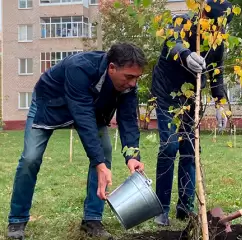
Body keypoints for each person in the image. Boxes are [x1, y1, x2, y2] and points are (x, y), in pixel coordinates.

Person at [7, 43, 147, 240]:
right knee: (30, 158)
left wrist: (132, 156)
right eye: (129, 77)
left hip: (91, 109)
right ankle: (17, 220)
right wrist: (98, 163)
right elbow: (82, 115)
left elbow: (128, 120)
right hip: (50, 105)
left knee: (104, 153)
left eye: (137, 78)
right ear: (112, 67)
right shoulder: (79, 67)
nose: (133, 83)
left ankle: (92, 220)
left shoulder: (127, 86)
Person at [150, 0, 234, 226]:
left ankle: (185, 207)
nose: (216, 29)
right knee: (169, 146)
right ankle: (161, 208)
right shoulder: (182, 22)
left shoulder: (217, 42)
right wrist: (185, 54)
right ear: (202, 15)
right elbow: (171, 41)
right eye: (213, 23)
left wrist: (221, 103)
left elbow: (216, 75)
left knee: (190, 149)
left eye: (221, 26)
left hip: (191, 97)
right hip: (167, 93)